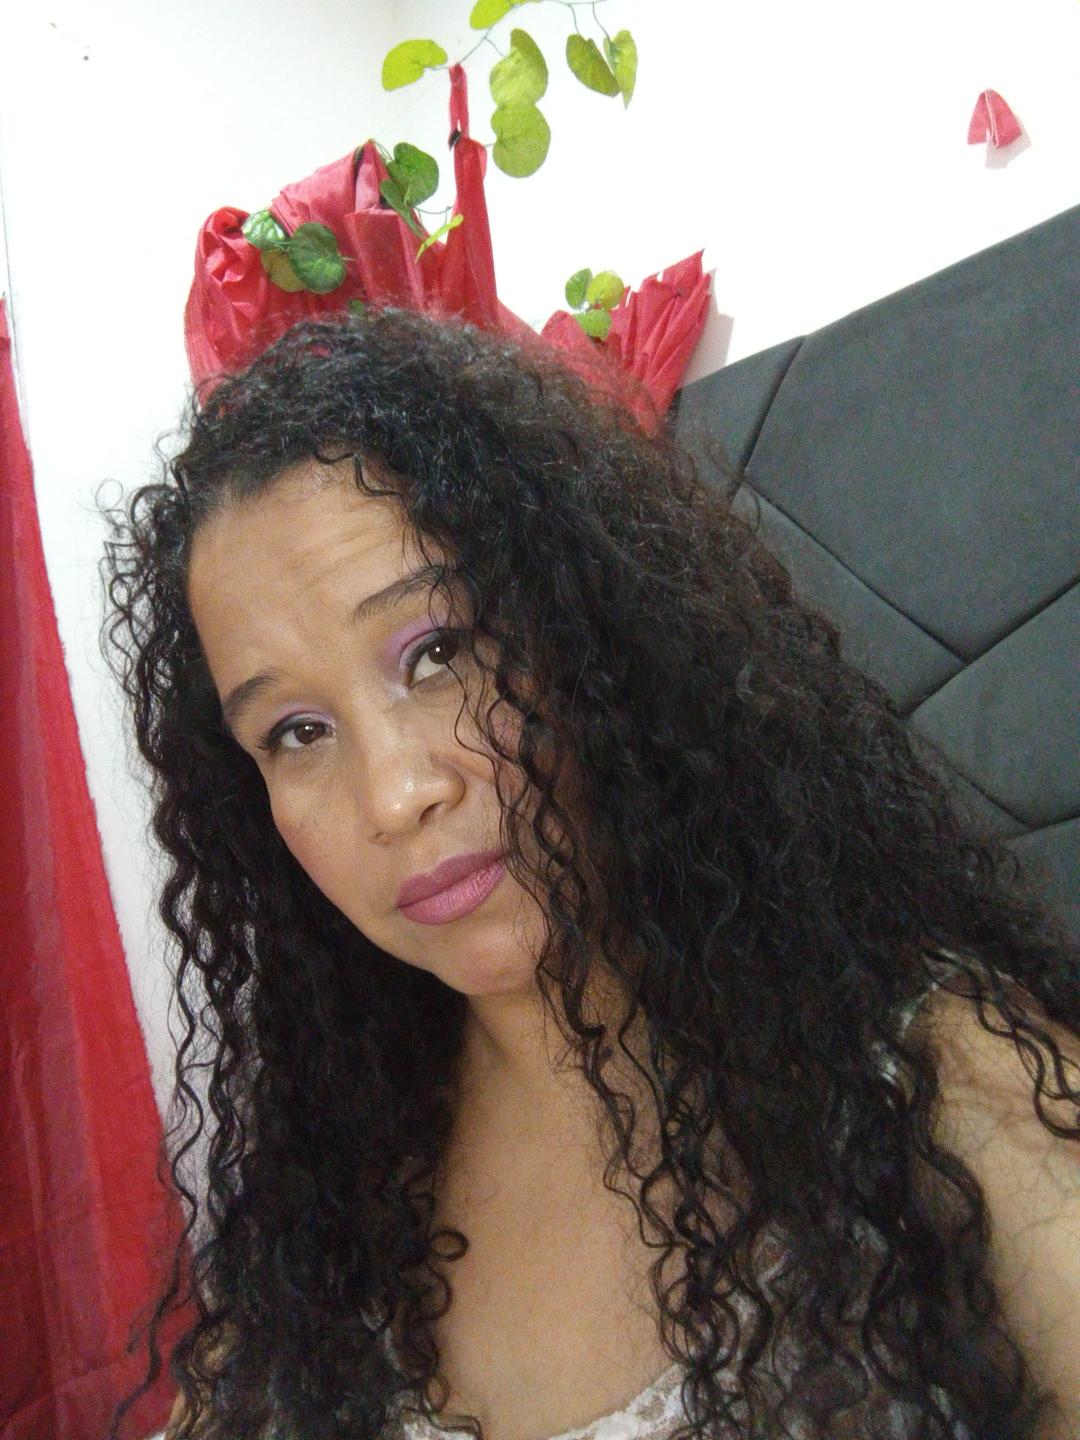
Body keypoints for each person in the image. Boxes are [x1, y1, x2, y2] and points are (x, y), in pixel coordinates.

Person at [100, 307, 1080, 1440]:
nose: (394, 795)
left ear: (594, 639)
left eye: (440, 652)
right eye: (296, 733)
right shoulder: (328, 1209)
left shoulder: (938, 1092)